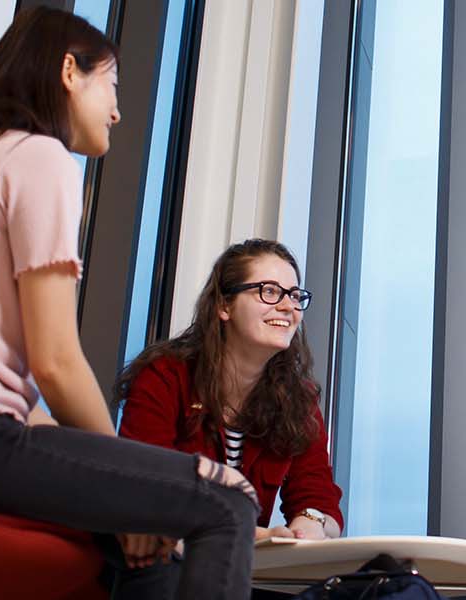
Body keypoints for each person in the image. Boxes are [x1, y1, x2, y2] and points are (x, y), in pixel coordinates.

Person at [0, 8, 259, 598]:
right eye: (113, 87)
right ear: (69, 71)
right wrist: (130, 494)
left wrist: (128, 500)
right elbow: (55, 360)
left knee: (148, 561)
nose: (118, 110)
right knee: (228, 498)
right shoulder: (39, 156)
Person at [110, 239, 345, 596]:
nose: (288, 306)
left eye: (295, 295)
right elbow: (147, 485)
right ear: (224, 305)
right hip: (164, 556)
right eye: (269, 291)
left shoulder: (300, 400)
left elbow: (320, 500)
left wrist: (306, 527)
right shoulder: (165, 375)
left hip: (245, 569)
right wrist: (256, 534)